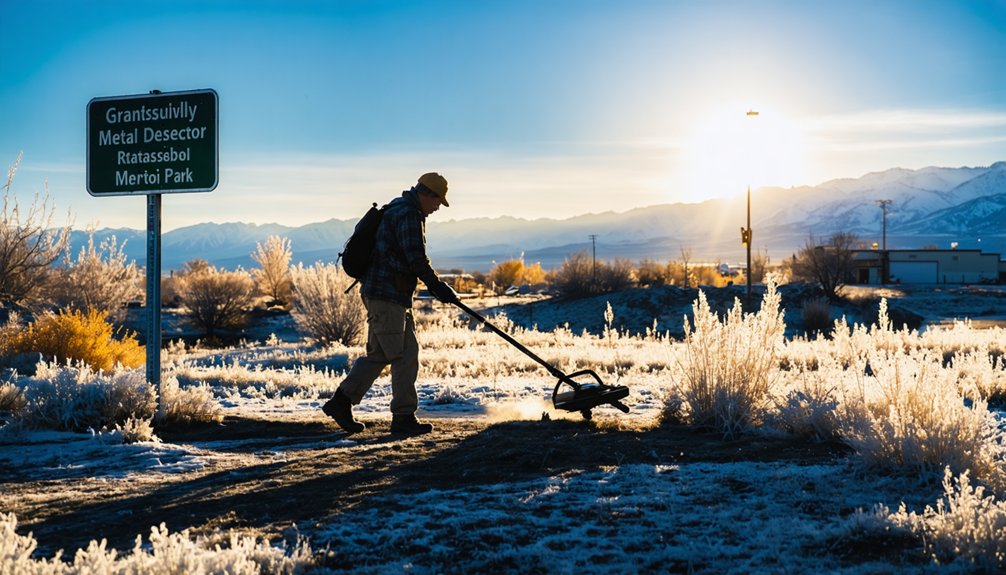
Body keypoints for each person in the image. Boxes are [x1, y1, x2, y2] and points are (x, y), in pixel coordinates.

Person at [322, 172, 459, 435]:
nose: (437, 207)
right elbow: (415, 258)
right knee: (404, 355)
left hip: (384, 294)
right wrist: (437, 286)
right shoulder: (408, 214)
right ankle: (403, 417)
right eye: (437, 201)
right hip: (387, 295)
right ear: (426, 194)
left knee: (383, 354)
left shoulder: (399, 208)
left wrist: (435, 287)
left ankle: (342, 403)